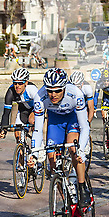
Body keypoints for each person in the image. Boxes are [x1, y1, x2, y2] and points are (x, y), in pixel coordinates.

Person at [28, 68, 91, 208]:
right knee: (53, 165)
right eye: (50, 90)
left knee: (73, 147)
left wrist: (81, 151)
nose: (53, 94)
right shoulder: (40, 96)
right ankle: (68, 204)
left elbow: (85, 126)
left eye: (57, 90)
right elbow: (38, 129)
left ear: (64, 87)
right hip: (55, 121)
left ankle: (82, 187)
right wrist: (34, 153)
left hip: (72, 118)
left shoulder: (75, 93)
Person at [0, 68, 38, 142]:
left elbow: (41, 105)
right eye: (15, 83)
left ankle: (37, 145)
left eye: (20, 83)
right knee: (18, 135)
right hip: (23, 111)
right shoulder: (11, 92)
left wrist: (34, 115)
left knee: (32, 120)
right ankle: (21, 150)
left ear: (26, 83)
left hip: (35, 109)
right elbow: (6, 113)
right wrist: (4, 129)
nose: (17, 86)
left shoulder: (32, 89)